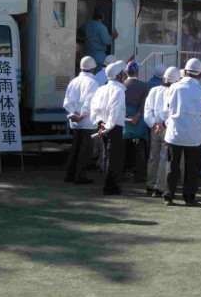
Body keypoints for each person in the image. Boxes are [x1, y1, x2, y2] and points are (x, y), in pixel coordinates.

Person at [163, 58, 201, 206]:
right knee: (191, 168)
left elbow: (167, 107)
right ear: (200, 75)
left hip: (174, 133)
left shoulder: (174, 87)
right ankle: (189, 197)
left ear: (185, 72)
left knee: (172, 165)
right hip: (193, 135)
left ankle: (169, 195)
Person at [90, 60, 128, 196]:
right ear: (118, 76)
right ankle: (111, 186)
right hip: (113, 127)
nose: (125, 76)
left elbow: (94, 108)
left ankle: (109, 185)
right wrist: (109, 125)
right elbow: (114, 109)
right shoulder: (119, 91)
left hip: (103, 126)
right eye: (123, 74)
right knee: (114, 158)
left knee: (106, 156)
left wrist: (100, 123)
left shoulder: (101, 89)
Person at [144, 66, 181, 197]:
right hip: (167, 129)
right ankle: (159, 187)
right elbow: (174, 113)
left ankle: (150, 184)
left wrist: (154, 124)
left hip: (154, 128)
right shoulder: (175, 91)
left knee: (153, 156)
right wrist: (163, 124)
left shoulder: (154, 90)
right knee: (164, 158)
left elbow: (147, 110)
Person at [63, 55, 100, 185]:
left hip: (74, 120)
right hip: (86, 122)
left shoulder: (73, 81)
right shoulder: (93, 82)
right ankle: (80, 176)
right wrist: (82, 116)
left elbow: (67, 102)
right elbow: (90, 103)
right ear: (92, 69)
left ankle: (70, 174)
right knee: (85, 150)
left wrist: (73, 114)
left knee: (75, 147)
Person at [123, 61, 149, 182]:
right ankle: (139, 174)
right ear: (137, 72)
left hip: (125, 120)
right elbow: (144, 104)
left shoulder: (122, 85)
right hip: (138, 121)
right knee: (139, 148)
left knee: (126, 147)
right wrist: (137, 116)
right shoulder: (143, 86)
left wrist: (127, 116)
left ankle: (126, 172)